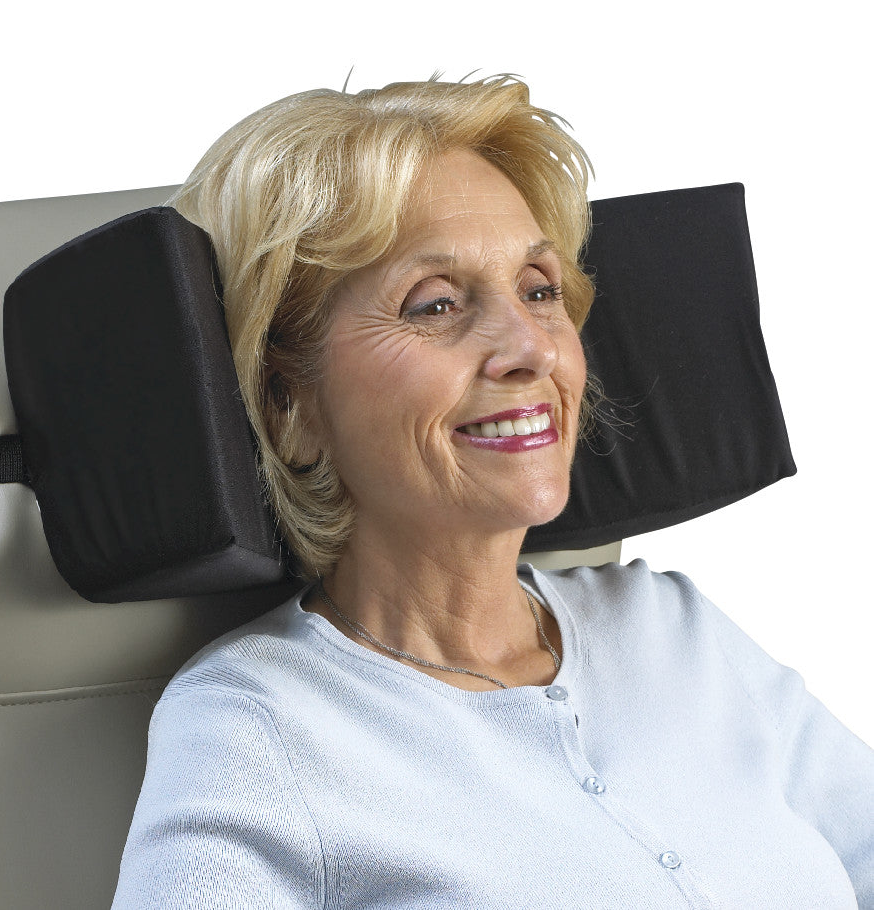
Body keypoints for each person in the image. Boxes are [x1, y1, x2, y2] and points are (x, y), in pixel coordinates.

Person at [111, 77, 873, 908]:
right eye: (433, 304)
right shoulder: (258, 725)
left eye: (540, 289)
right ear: (289, 406)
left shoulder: (672, 630)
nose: (529, 348)